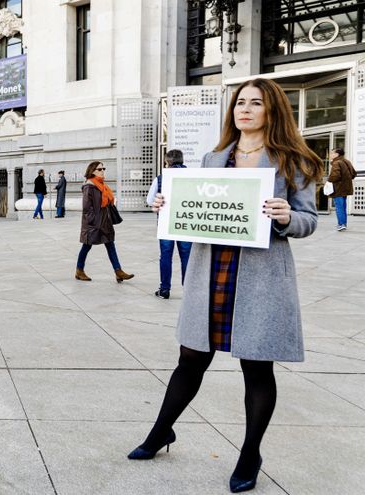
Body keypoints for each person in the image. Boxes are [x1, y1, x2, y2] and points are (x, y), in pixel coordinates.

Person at [129, 78, 321, 494]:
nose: (245, 109)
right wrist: (168, 204)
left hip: (259, 275)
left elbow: (308, 220)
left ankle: (250, 453)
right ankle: (161, 431)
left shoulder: (292, 160)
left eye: (256, 103)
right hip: (211, 269)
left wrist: (287, 216)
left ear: (272, 111)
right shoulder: (214, 158)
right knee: (190, 357)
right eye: (240, 103)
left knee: (256, 366)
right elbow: (197, 207)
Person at [75, 161, 134, 283]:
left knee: (111, 245)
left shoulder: (102, 186)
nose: (102, 171)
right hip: (93, 224)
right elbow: (87, 208)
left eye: (103, 169)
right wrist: (94, 222)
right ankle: (79, 271)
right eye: (99, 169)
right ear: (92, 171)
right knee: (86, 246)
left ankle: (118, 271)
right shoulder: (89, 186)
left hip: (105, 222)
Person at [146, 149, 192, 299]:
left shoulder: (160, 178)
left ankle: (164, 289)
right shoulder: (192, 177)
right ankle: (188, 290)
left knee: (166, 255)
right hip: (186, 222)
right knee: (186, 256)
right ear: (182, 160)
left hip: (166, 223)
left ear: (167, 162)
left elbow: (149, 200)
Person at [327, 148, 356, 231]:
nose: (330, 155)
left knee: (339, 207)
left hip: (338, 188)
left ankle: (341, 224)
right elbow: (354, 174)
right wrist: (346, 179)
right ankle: (343, 223)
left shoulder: (336, 163)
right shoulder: (347, 161)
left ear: (337, 154)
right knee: (343, 206)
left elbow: (335, 176)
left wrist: (328, 181)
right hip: (345, 188)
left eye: (332, 153)